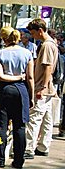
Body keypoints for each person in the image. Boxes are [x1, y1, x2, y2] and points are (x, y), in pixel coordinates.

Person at [0, 27, 34, 169]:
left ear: (4, 39)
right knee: (19, 126)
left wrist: (12, 77)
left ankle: (0, 159)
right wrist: (31, 96)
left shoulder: (0, 53)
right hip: (21, 90)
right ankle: (18, 160)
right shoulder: (27, 53)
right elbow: (30, 77)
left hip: (3, 90)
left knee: (1, 126)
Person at [24, 19, 59, 159]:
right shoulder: (51, 44)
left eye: (33, 33)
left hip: (42, 87)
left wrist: (42, 88)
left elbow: (48, 67)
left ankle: (29, 148)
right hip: (47, 88)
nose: (33, 36)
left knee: (35, 118)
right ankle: (43, 146)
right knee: (46, 118)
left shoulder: (47, 45)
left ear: (40, 30)